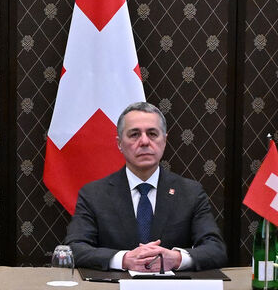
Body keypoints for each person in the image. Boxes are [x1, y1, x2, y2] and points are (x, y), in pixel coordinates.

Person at [66, 102, 227, 271]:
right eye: (134, 134)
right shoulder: (94, 194)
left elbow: (216, 250)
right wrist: (124, 260)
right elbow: (74, 248)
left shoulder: (190, 192)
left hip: (172, 287)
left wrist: (176, 259)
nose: (144, 141)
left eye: (152, 134)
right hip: (115, 285)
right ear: (119, 143)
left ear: (164, 140)